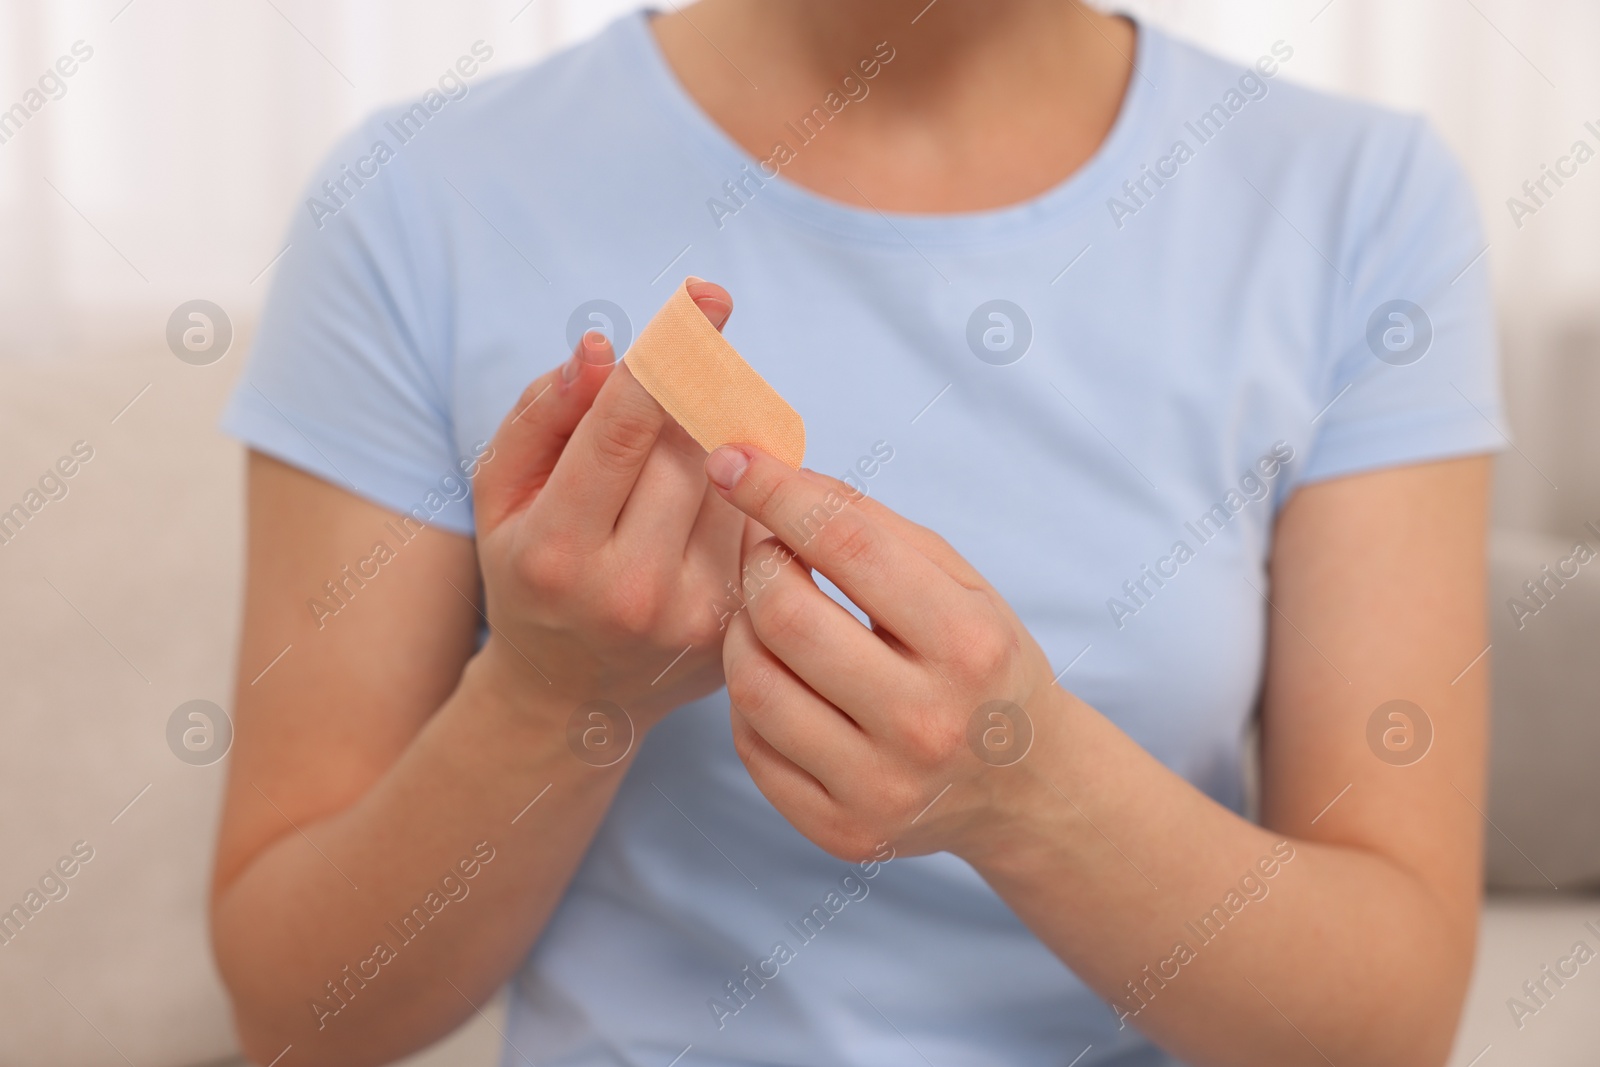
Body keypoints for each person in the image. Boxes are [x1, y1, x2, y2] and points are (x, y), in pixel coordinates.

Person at [208, 3, 1504, 1065]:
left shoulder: (1361, 202)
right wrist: (554, 695)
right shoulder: (413, 203)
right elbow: (295, 1011)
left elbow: (1387, 1025)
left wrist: (1031, 789)